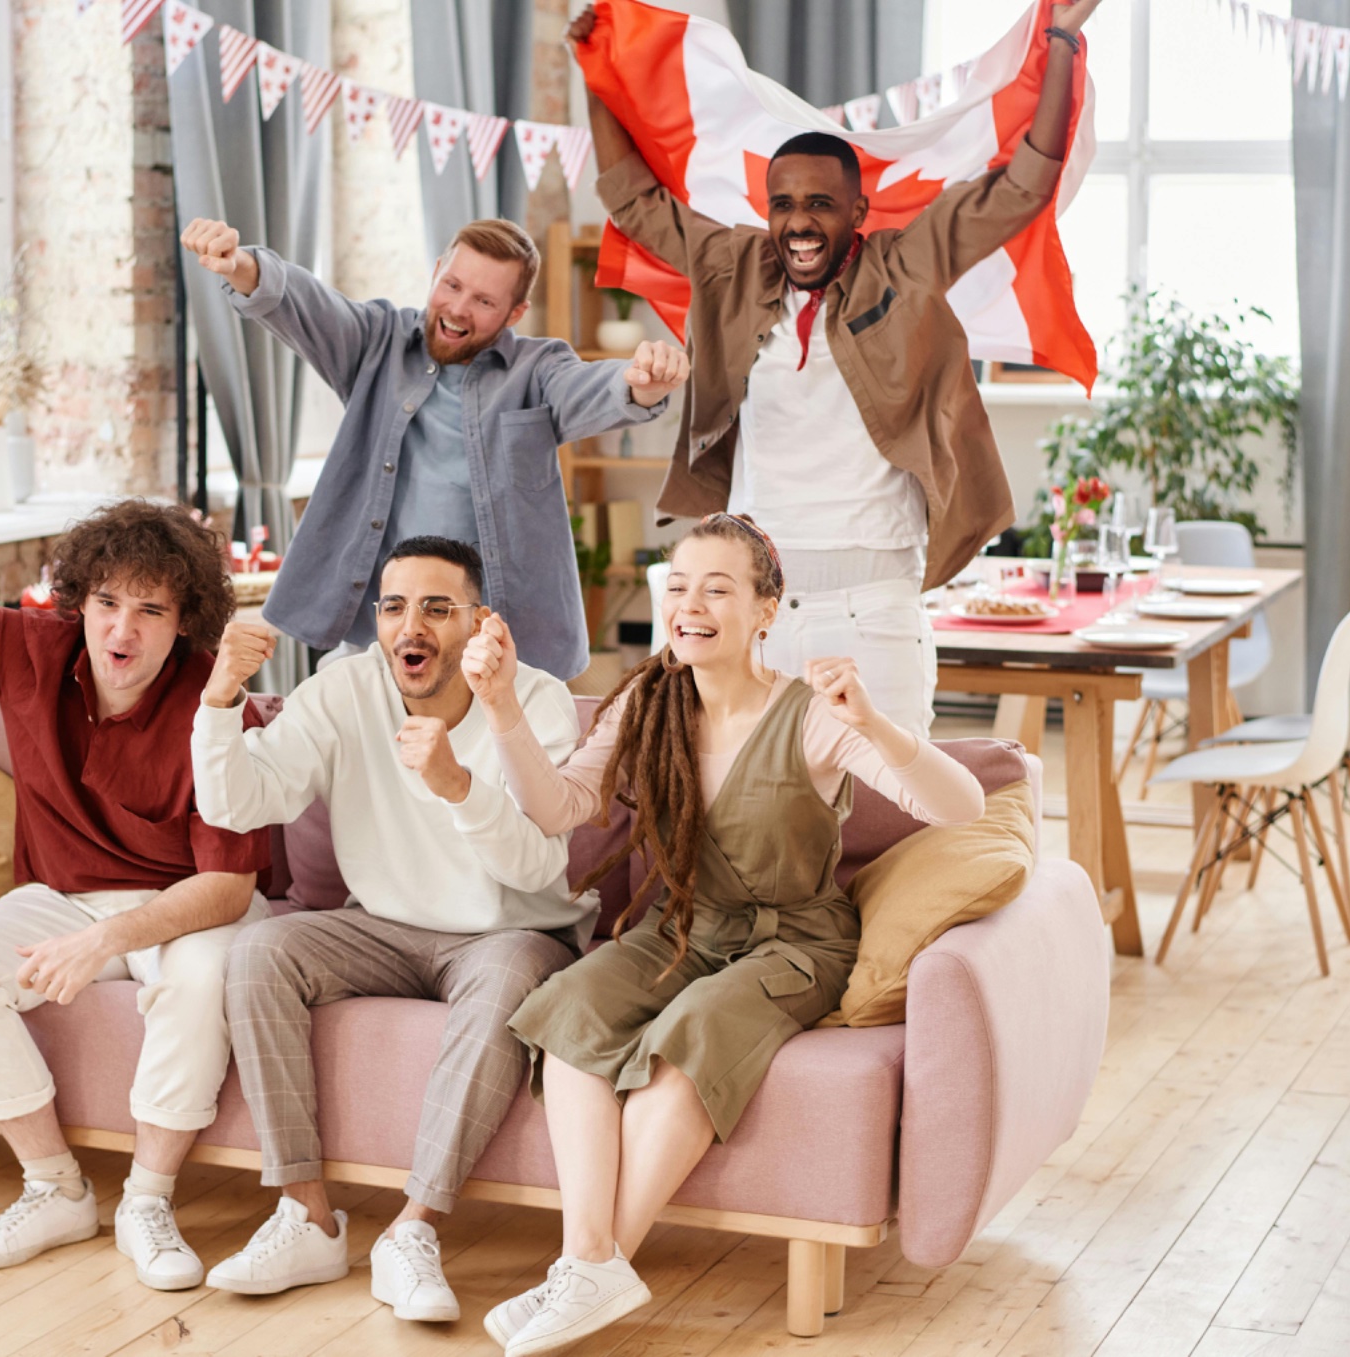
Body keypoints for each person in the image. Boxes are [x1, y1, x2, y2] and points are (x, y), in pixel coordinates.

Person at [457, 514, 985, 1355]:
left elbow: (963, 807)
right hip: (683, 932)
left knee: (688, 1033)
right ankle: (586, 1262)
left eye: (717, 588)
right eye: (677, 587)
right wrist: (499, 708)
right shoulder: (646, 701)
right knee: (566, 1013)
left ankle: (588, 1270)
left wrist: (876, 721)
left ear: (767, 610)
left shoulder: (814, 715)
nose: (689, 605)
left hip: (796, 945)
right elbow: (557, 807)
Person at [570, 0, 1102, 733]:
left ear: (859, 209)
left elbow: (1021, 188)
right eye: (783, 204)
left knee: (888, 811)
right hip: (757, 600)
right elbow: (633, 200)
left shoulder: (906, 264)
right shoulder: (734, 264)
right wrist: (598, 74)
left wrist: (1063, 43)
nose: (799, 223)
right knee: (753, 810)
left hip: (873, 598)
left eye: (821, 204)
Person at [0, 466, 273, 1292]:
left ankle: (148, 1198)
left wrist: (106, 937)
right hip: (59, 895)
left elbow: (229, 890)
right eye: (107, 602)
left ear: (186, 623)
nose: (123, 629)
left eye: (151, 609)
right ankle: (55, 1187)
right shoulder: (28, 650)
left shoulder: (219, 703)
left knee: (206, 972)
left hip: (188, 907)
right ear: (79, 603)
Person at [189, 535, 593, 1324]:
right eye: (396, 606)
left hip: (510, 931)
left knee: (509, 975)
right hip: (381, 925)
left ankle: (412, 1232)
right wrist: (220, 701)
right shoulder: (345, 689)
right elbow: (238, 804)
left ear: (480, 623)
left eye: (439, 608)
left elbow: (537, 868)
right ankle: (306, 1215)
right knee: (260, 949)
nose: (414, 625)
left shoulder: (534, 701)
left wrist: (456, 784)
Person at [179, 214, 692, 680]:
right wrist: (239, 264)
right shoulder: (376, 342)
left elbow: (589, 389)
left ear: (515, 313)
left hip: (492, 646)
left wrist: (641, 383)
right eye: (452, 285)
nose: (458, 309)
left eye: (485, 301)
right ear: (436, 272)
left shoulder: (536, 370)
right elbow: (306, 304)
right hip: (376, 635)